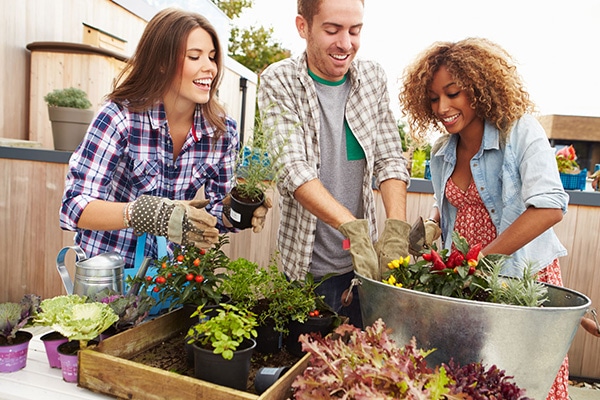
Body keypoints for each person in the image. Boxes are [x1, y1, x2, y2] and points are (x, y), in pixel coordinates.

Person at [399, 37, 600, 400]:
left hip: (517, 277)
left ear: (478, 88)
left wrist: (482, 261)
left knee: (523, 380)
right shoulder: (443, 149)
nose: (442, 106)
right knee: (470, 378)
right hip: (467, 283)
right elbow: (447, 203)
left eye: (453, 93)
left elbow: (551, 205)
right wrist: (431, 226)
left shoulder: (520, 131)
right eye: (433, 98)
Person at [60, 8, 269, 276]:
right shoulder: (120, 117)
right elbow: (74, 206)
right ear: (161, 62)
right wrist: (142, 213)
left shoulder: (221, 132)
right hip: (107, 276)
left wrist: (243, 209)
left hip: (168, 278)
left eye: (213, 57)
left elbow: (217, 213)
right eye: (195, 56)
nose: (210, 67)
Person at [257, 0, 411, 328]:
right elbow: (293, 170)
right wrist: (352, 227)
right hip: (309, 271)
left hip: (365, 270)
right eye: (332, 30)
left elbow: (389, 158)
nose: (346, 43)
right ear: (303, 27)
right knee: (309, 370)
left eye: (355, 31)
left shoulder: (372, 78)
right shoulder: (280, 81)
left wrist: (397, 228)